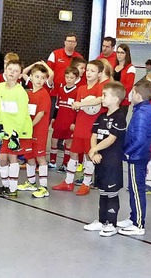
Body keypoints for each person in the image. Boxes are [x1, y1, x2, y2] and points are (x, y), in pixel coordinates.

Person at [117, 79, 151, 236]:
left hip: (137, 156)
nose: (130, 94)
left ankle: (138, 224)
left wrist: (127, 151)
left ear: (138, 95)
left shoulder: (142, 114)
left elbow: (140, 139)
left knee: (137, 190)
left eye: (133, 92)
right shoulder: (141, 110)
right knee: (134, 189)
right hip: (137, 155)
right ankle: (133, 217)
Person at [82, 82, 127, 237]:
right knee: (102, 191)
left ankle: (112, 224)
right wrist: (94, 153)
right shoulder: (101, 116)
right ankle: (102, 221)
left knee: (111, 193)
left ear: (115, 98)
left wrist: (94, 149)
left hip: (112, 162)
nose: (101, 97)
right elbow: (94, 134)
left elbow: (111, 138)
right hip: (99, 161)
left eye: (104, 95)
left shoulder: (120, 117)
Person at [53, 60, 104, 195]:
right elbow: (76, 108)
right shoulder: (81, 89)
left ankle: (86, 184)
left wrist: (80, 104)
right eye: (87, 70)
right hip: (79, 126)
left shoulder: (100, 88)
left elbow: (99, 100)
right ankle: (68, 182)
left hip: (91, 128)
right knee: (73, 153)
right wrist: (74, 120)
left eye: (92, 71)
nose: (88, 73)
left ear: (99, 74)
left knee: (89, 155)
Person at [0, 60, 34, 198]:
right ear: (5, 69)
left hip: (19, 130)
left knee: (12, 156)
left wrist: (15, 134)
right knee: (2, 158)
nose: (12, 72)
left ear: (20, 75)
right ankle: (5, 186)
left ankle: (13, 189)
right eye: (10, 69)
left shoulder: (20, 92)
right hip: (6, 129)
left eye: (15, 71)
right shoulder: (0, 87)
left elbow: (22, 115)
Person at [17, 63, 53, 198]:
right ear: (31, 77)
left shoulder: (44, 95)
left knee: (40, 157)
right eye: (36, 76)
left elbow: (40, 114)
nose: (39, 80)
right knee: (29, 156)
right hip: (27, 132)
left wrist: (30, 125)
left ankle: (43, 187)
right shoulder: (28, 94)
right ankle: (31, 182)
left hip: (38, 131)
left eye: (42, 78)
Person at [49, 67, 80, 172]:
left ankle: (65, 164)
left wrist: (75, 123)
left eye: (72, 77)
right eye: (67, 77)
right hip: (59, 120)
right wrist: (54, 117)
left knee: (68, 142)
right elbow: (57, 105)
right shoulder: (61, 89)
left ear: (76, 78)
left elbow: (78, 110)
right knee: (53, 140)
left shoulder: (77, 91)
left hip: (70, 121)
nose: (69, 79)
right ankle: (52, 162)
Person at [47, 33, 84, 121]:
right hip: (54, 93)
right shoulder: (55, 54)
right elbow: (48, 71)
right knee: (50, 117)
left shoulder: (79, 57)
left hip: (71, 94)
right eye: (68, 41)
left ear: (76, 44)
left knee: (66, 119)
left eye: (72, 41)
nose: (70, 43)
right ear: (64, 42)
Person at [113, 44, 137, 116]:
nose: (119, 55)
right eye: (118, 52)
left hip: (123, 100)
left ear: (127, 54)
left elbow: (129, 86)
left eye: (122, 53)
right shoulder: (114, 66)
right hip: (112, 98)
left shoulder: (130, 68)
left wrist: (118, 96)